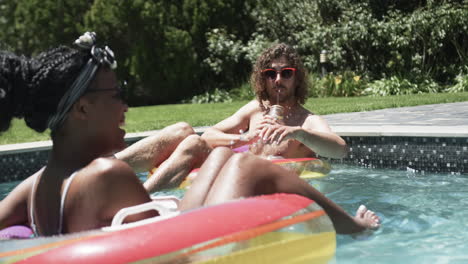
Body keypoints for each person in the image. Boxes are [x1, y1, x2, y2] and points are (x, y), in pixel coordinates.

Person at [0, 32, 379, 236]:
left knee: (216, 156)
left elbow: (339, 149)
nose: (126, 106)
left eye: (286, 73)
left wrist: (291, 131)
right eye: (116, 95)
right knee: (244, 164)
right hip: (192, 243)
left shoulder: (33, 187)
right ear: (82, 109)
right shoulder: (107, 174)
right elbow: (171, 240)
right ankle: (353, 227)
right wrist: (237, 146)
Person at [201, 43, 347, 159]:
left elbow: (340, 150)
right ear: (263, 79)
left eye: (286, 73)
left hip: (284, 187)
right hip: (249, 181)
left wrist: (299, 134)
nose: (278, 80)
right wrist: (246, 138)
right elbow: (208, 136)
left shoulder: (306, 121)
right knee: (191, 142)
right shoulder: (255, 110)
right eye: (270, 74)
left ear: (297, 79)